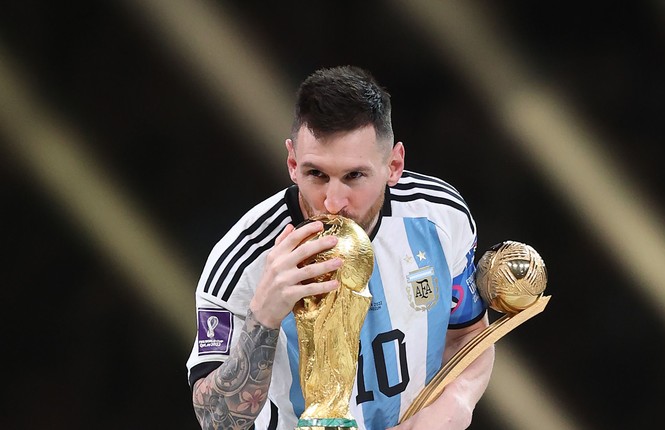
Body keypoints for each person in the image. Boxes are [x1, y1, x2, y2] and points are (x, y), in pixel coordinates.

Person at [186, 65, 494, 430]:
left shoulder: (441, 218)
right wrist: (264, 316)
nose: (333, 202)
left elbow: (468, 334)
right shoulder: (241, 262)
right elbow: (214, 420)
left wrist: (456, 403)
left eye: (354, 176)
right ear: (292, 163)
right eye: (316, 174)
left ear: (394, 165)